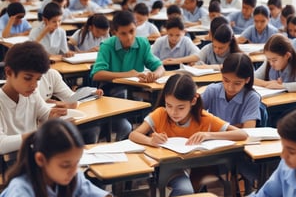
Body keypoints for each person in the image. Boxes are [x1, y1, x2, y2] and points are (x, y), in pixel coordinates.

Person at [129, 74, 247, 196]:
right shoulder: (160, 114)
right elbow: (134, 134)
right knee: (185, 190)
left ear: (193, 101)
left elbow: (241, 134)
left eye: (181, 107)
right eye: (169, 105)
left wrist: (209, 135)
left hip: (197, 168)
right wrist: (150, 141)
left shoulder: (203, 118)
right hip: (170, 169)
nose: (173, 112)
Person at [0, 119, 132, 197]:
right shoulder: (20, 188)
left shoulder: (71, 177)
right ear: (41, 159)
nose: (73, 170)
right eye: (65, 165)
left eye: (77, 163)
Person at [91, 10, 165, 140]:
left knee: (157, 104)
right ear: (115, 32)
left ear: (136, 27)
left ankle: (147, 135)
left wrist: (155, 75)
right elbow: (97, 74)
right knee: (125, 121)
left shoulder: (142, 43)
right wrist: (128, 74)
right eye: (123, 34)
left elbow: (159, 67)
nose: (129, 37)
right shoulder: (107, 46)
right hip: (111, 93)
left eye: (132, 31)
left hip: (135, 92)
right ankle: (124, 138)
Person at [0, 41, 67, 155]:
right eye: (27, 78)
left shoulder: (32, 94)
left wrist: (53, 115)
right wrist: (38, 134)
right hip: (7, 164)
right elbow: (1, 144)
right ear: (9, 72)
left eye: (38, 79)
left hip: (31, 156)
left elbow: (44, 113)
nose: (34, 85)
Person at [38, 68, 103, 144]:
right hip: (37, 124)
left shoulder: (50, 74)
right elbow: (36, 105)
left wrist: (89, 93)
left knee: (91, 127)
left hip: (52, 118)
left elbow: (70, 97)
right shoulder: (26, 80)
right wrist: (54, 104)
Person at [202, 53, 260, 128]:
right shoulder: (212, 91)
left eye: (237, 83)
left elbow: (248, 131)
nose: (230, 87)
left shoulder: (252, 98)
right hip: (213, 138)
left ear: (247, 80)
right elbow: (193, 117)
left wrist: (217, 127)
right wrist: (237, 127)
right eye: (226, 80)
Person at [163, 23, 240, 71]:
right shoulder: (209, 48)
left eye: (221, 48)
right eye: (215, 46)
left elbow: (228, 67)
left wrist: (207, 67)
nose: (216, 50)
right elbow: (197, 59)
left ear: (229, 43)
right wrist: (196, 66)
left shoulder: (236, 55)